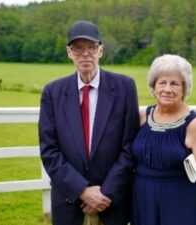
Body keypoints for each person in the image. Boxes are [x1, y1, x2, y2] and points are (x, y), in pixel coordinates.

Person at [38, 20, 139, 225]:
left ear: (100, 50)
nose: (85, 54)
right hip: (70, 204)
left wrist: (105, 193)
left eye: (91, 47)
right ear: (69, 52)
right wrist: (82, 190)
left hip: (112, 205)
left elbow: (130, 147)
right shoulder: (53, 92)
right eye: (78, 48)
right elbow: (49, 150)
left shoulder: (125, 87)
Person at [131, 54, 196, 225]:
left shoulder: (193, 124)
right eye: (162, 83)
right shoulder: (142, 117)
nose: (167, 89)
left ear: (184, 88)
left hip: (180, 203)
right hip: (143, 201)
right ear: (154, 86)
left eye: (174, 83)